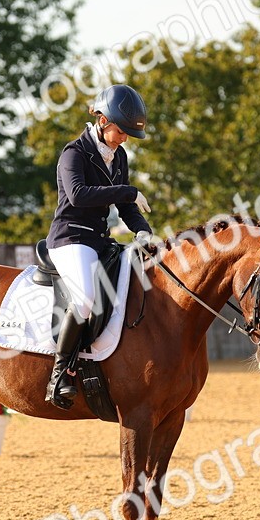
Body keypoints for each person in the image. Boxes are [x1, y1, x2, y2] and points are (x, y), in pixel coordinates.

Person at [44, 84, 158, 409]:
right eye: (121, 131)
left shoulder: (119, 156)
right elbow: (78, 195)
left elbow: (127, 207)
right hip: (70, 238)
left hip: (100, 240)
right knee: (84, 300)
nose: (124, 139)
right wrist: (128, 191)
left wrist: (143, 232)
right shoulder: (73, 153)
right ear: (102, 119)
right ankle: (59, 375)